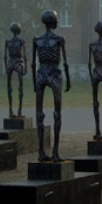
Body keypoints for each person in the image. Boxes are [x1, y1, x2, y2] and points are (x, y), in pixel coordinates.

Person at [33, 10, 70, 162]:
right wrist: (68, 80)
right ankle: (54, 152)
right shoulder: (59, 39)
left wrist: (34, 84)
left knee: (39, 114)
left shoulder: (37, 39)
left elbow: (32, 63)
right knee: (57, 113)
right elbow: (65, 62)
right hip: (54, 74)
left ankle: (42, 152)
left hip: (41, 74)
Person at [4, 22, 27, 118]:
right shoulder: (21, 41)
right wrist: (25, 67)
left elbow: (4, 56)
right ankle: (19, 111)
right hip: (18, 62)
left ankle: (11, 110)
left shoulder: (8, 41)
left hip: (11, 62)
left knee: (10, 87)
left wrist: (6, 67)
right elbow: (24, 55)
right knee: (20, 87)